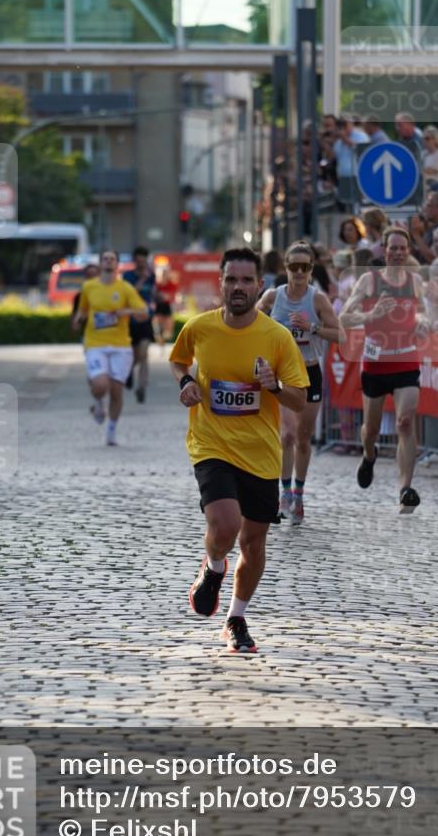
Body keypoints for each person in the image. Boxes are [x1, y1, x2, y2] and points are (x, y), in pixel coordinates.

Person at [169, 248, 308, 653]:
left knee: (253, 543)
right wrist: (185, 384)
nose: (239, 288)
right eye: (232, 280)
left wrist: (273, 386)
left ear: (260, 286)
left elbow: (299, 399)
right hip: (211, 443)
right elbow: (178, 362)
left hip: (261, 452)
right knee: (226, 525)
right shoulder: (199, 328)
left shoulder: (276, 337)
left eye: (247, 281)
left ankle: (236, 617)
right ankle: (213, 568)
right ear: (221, 283)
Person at [340, 227, 429, 512]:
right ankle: (369, 455)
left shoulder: (415, 281)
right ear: (385, 249)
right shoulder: (369, 280)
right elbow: (345, 316)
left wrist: (423, 322)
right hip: (376, 365)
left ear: (408, 251)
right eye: (393, 248)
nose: (398, 252)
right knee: (372, 429)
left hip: (406, 361)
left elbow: (424, 311)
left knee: (405, 421)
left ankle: (405, 489)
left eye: (403, 248)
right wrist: (371, 314)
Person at [257, 242, 341, 524]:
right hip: (283, 374)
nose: (299, 272)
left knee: (303, 438)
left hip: (309, 372)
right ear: (286, 267)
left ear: (311, 269)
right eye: (294, 266)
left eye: (305, 267)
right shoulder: (273, 296)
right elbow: (250, 322)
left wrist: (312, 327)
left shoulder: (317, 300)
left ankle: (299, 492)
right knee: (287, 435)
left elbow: (339, 334)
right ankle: (284, 492)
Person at [72, 249, 148, 446]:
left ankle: (111, 430)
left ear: (117, 264)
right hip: (95, 343)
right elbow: (83, 309)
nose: (108, 262)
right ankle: (98, 404)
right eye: (104, 259)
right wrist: (78, 318)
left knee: (116, 391)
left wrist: (126, 311)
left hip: (121, 345)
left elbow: (143, 312)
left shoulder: (125, 288)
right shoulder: (89, 287)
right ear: (100, 263)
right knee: (100, 384)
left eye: (112, 259)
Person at [122, 246, 157, 403]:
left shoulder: (152, 276)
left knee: (144, 354)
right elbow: (129, 295)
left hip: (145, 321)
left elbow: (152, 294)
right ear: (135, 261)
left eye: (144, 261)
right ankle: (128, 372)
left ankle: (141, 386)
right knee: (134, 355)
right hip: (130, 321)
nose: (142, 264)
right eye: (139, 261)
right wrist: (142, 279)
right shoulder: (127, 276)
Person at [421, 126, 438, 195]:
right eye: (423, 138)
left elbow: (433, 171)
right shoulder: (423, 154)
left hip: (434, 187)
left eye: (427, 138)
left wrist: (420, 169)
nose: (424, 141)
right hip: (423, 187)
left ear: (435, 139)